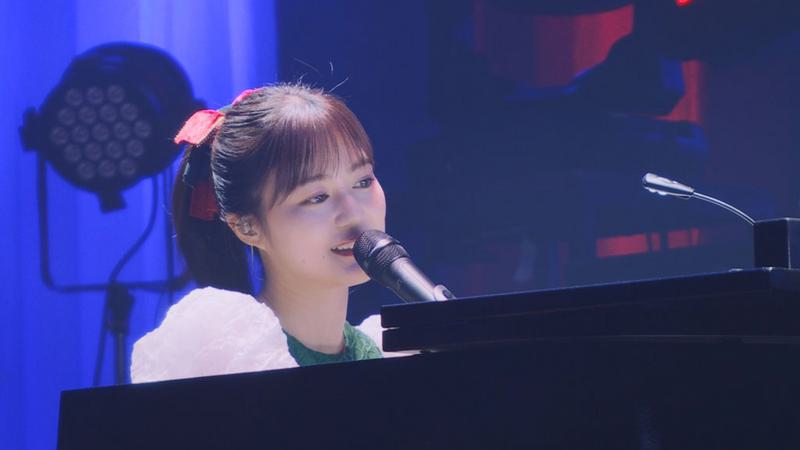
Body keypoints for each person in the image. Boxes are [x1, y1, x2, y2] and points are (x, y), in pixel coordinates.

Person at [131, 83, 400, 383]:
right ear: (247, 226)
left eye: (363, 182)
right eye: (317, 197)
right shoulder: (231, 356)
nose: (353, 213)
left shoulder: (389, 350)